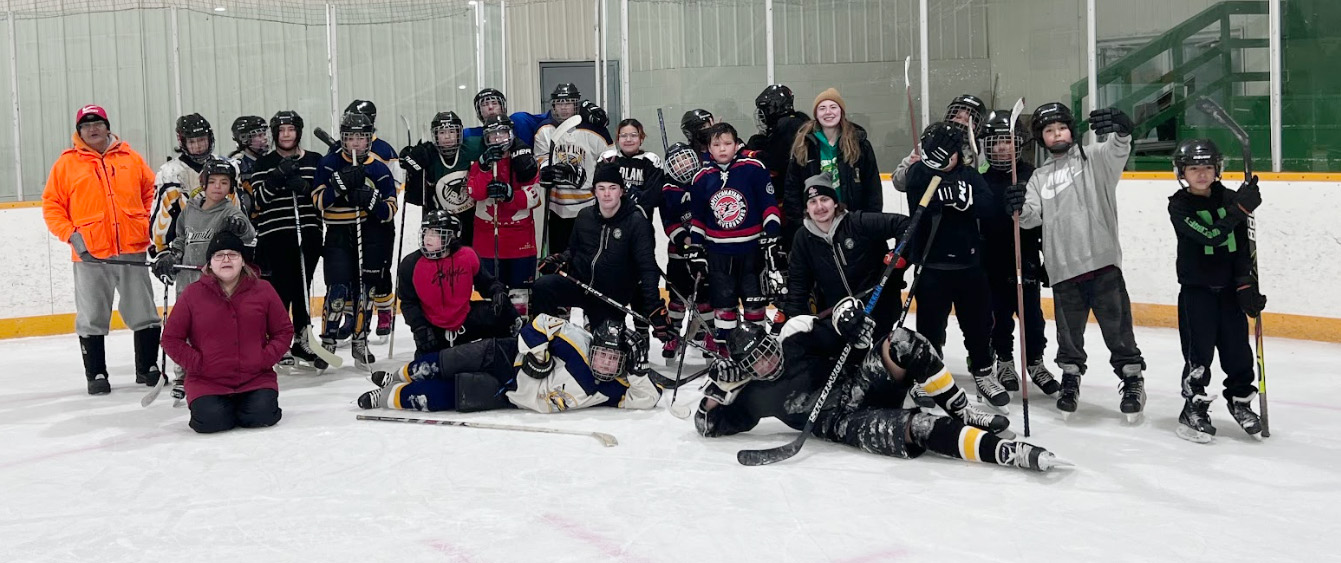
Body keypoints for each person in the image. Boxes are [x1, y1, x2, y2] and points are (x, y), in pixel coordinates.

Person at [693, 311, 1065, 472]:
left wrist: (850, 323)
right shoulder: (754, 397)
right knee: (918, 429)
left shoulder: (797, 342)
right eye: (754, 362)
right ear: (746, 369)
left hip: (859, 384)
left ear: (771, 341)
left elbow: (846, 335)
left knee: (901, 340)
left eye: (765, 350)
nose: (765, 362)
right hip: (844, 422)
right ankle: (1005, 453)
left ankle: (963, 410)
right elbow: (707, 425)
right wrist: (720, 389)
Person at [1005, 102, 1147, 421]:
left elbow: (1119, 146)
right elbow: (1029, 219)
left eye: (1062, 128)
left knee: (1118, 330)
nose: (1057, 134)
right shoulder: (1039, 178)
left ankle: (1132, 378)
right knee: (1069, 336)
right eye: (1049, 131)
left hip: (1103, 264)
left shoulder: (1096, 159)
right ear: (1042, 139)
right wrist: (1015, 207)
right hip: (1062, 270)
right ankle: (1070, 379)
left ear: (1072, 130)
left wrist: (1124, 128)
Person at [42, 104, 161, 394]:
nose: (92, 129)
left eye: (97, 123)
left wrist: (146, 224)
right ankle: (96, 374)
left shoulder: (131, 158)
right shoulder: (66, 165)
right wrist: (72, 235)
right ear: (79, 131)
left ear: (107, 126)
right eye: (86, 125)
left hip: (132, 249)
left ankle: (147, 368)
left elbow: (151, 194)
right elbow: (52, 206)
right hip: (90, 254)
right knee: (92, 313)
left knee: (143, 309)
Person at [355, 314, 661, 414]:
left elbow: (648, 399)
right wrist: (538, 355)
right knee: (444, 362)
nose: (604, 364)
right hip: (506, 355)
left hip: (511, 394)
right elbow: (540, 323)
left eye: (613, 360)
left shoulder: (613, 390)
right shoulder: (578, 340)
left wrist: (637, 372)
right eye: (601, 355)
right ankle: (397, 375)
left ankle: (388, 397)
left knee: (448, 395)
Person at [1167, 139, 1266, 442]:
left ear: (1217, 169)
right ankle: (1193, 407)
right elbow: (1209, 236)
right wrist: (1239, 210)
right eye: (1194, 168)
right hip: (1196, 292)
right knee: (1199, 355)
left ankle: (1240, 402)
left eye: (1207, 167)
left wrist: (1246, 284)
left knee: (1238, 352)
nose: (1201, 174)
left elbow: (1240, 249)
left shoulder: (1231, 198)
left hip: (1229, 293)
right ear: (1182, 172)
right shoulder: (1179, 205)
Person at [904, 122, 1003, 410]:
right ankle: (927, 376)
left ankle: (983, 372)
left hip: (969, 265)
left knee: (978, 325)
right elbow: (917, 211)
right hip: (931, 266)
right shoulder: (918, 174)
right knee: (930, 328)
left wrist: (967, 200)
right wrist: (938, 198)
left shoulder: (970, 176)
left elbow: (990, 208)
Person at [533, 162, 671, 367]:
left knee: (608, 358)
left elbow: (648, 267)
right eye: (602, 188)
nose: (607, 194)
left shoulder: (636, 222)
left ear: (622, 191)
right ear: (594, 191)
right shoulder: (584, 216)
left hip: (610, 298)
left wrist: (653, 306)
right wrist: (561, 261)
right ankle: (543, 346)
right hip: (581, 285)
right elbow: (573, 251)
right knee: (543, 287)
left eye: (612, 188)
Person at [161, 231, 291, 434]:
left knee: (262, 415)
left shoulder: (263, 290)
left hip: (255, 378)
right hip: (207, 381)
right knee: (210, 421)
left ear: (243, 261)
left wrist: (264, 359)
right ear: (210, 263)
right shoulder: (192, 294)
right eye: (219, 255)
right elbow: (170, 339)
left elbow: (283, 331)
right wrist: (198, 364)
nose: (226, 259)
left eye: (233, 254)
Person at [978, 110, 1059, 397]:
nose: (1001, 147)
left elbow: (1048, 219)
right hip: (992, 261)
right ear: (985, 146)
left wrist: (1049, 258)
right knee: (997, 317)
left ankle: (1035, 362)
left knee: (1032, 318)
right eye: (995, 142)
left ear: (1018, 143)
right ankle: (1005, 362)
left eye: (1007, 141)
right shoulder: (981, 181)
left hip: (1026, 259)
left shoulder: (1032, 176)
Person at [686, 122, 781, 354]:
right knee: (724, 309)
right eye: (716, 144)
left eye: (727, 143)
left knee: (755, 307)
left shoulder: (753, 168)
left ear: (737, 144)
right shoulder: (701, 178)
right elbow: (698, 219)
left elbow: (769, 206)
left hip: (752, 253)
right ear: (708, 148)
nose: (722, 148)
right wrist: (696, 248)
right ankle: (726, 355)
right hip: (719, 255)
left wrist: (772, 235)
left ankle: (757, 354)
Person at [313, 111, 399, 367]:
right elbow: (318, 202)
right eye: (350, 138)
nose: (355, 144)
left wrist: (370, 200)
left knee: (366, 290)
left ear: (369, 140)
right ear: (342, 139)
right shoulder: (329, 164)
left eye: (360, 138)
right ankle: (328, 341)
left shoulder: (379, 168)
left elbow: (390, 210)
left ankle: (360, 341)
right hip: (338, 233)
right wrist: (338, 187)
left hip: (369, 233)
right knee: (337, 290)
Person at [783, 172, 910, 340]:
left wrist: (898, 257)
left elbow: (906, 226)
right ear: (806, 208)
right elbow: (799, 283)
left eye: (824, 199)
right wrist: (796, 319)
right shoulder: (803, 238)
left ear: (835, 202)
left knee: (879, 360)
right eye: (812, 202)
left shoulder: (857, 223)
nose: (819, 207)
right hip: (839, 319)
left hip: (879, 307)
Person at [248, 110, 327, 369]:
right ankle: (279, 341)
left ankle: (303, 338)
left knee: (302, 288)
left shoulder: (315, 160)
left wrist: (303, 188)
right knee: (281, 290)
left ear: (298, 132)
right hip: (276, 234)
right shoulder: (263, 163)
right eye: (281, 131)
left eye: (291, 130)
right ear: (274, 134)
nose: (286, 135)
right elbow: (258, 202)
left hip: (308, 232)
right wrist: (277, 177)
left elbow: (322, 198)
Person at [397, 210, 518, 356]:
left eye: (435, 233)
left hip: (465, 319)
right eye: (426, 232)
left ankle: (503, 356)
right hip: (432, 327)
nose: (428, 237)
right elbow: (408, 302)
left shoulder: (467, 256)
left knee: (501, 313)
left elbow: (486, 283)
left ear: (452, 236)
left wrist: (498, 292)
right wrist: (419, 327)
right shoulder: (410, 264)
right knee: (428, 368)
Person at [783, 88, 882, 251]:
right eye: (822, 108)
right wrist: (802, 224)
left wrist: (867, 223)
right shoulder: (804, 145)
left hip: (853, 223)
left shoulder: (860, 144)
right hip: (816, 224)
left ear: (841, 111)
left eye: (833, 107)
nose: (828, 112)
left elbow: (873, 189)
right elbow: (792, 189)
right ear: (816, 114)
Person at [337, 100, 401, 342]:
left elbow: (394, 186)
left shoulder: (384, 150)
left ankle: (384, 312)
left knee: (379, 269)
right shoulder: (339, 149)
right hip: (349, 220)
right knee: (351, 270)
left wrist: (373, 199)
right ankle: (351, 317)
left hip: (379, 222)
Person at [468, 115, 542, 316]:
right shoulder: (480, 163)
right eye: (493, 135)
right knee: (489, 295)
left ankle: (519, 335)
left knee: (520, 297)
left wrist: (510, 195)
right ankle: (493, 337)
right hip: (487, 241)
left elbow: (534, 197)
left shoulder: (525, 161)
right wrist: (484, 169)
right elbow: (475, 193)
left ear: (511, 134)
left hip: (520, 240)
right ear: (486, 138)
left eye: (502, 133)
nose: (498, 138)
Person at [533, 83, 612, 256]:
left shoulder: (595, 129)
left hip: (588, 205)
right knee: (558, 256)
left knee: (586, 255)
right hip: (556, 207)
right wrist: (547, 170)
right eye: (560, 103)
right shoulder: (545, 130)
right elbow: (542, 157)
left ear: (577, 104)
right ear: (553, 106)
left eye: (568, 102)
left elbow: (610, 160)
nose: (564, 107)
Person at [658, 141, 713, 358]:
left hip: (704, 250)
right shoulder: (667, 190)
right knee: (677, 296)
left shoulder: (705, 181)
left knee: (706, 296)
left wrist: (701, 240)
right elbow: (669, 222)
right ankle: (673, 335)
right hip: (678, 254)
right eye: (677, 162)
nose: (682, 165)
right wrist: (685, 240)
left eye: (685, 159)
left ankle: (710, 334)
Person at [399, 111, 483, 246]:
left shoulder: (473, 148)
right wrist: (411, 162)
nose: (448, 136)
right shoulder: (429, 155)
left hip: (472, 219)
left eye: (452, 131)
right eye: (442, 132)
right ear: (435, 135)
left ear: (459, 133)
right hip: (441, 222)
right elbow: (416, 197)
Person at [151, 113, 229, 257]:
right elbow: (163, 214)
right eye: (192, 142)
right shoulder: (170, 173)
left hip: (224, 245)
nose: (198, 146)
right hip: (188, 246)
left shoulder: (226, 166)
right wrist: (162, 251)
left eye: (201, 140)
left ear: (210, 139)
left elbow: (236, 207)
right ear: (182, 143)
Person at [892, 94, 988, 192]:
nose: (961, 123)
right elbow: (898, 182)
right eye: (958, 117)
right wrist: (914, 170)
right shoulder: (929, 144)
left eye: (968, 120)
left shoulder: (984, 152)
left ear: (977, 126)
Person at [599, 118, 664, 218]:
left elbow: (652, 198)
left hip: (639, 221)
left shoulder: (651, 161)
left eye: (633, 135)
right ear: (618, 139)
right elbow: (600, 191)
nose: (628, 139)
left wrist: (629, 192)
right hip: (610, 220)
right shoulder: (608, 158)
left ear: (641, 138)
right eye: (623, 136)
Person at [746, 84, 809, 186]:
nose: (761, 114)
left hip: (788, 186)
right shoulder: (797, 122)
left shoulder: (788, 126)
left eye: (765, 108)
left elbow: (776, 162)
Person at [464, 88, 549, 147]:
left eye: (494, 103)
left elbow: (552, 117)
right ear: (479, 111)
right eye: (484, 105)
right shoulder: (471, 135)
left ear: (502, 107)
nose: (490, 107)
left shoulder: (520, 121)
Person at [227, 114, 269, 218]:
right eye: (259, 135)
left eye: (264, 134)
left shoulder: (270, 160)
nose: (264, 139)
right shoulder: (235, 165)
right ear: (244, 138)